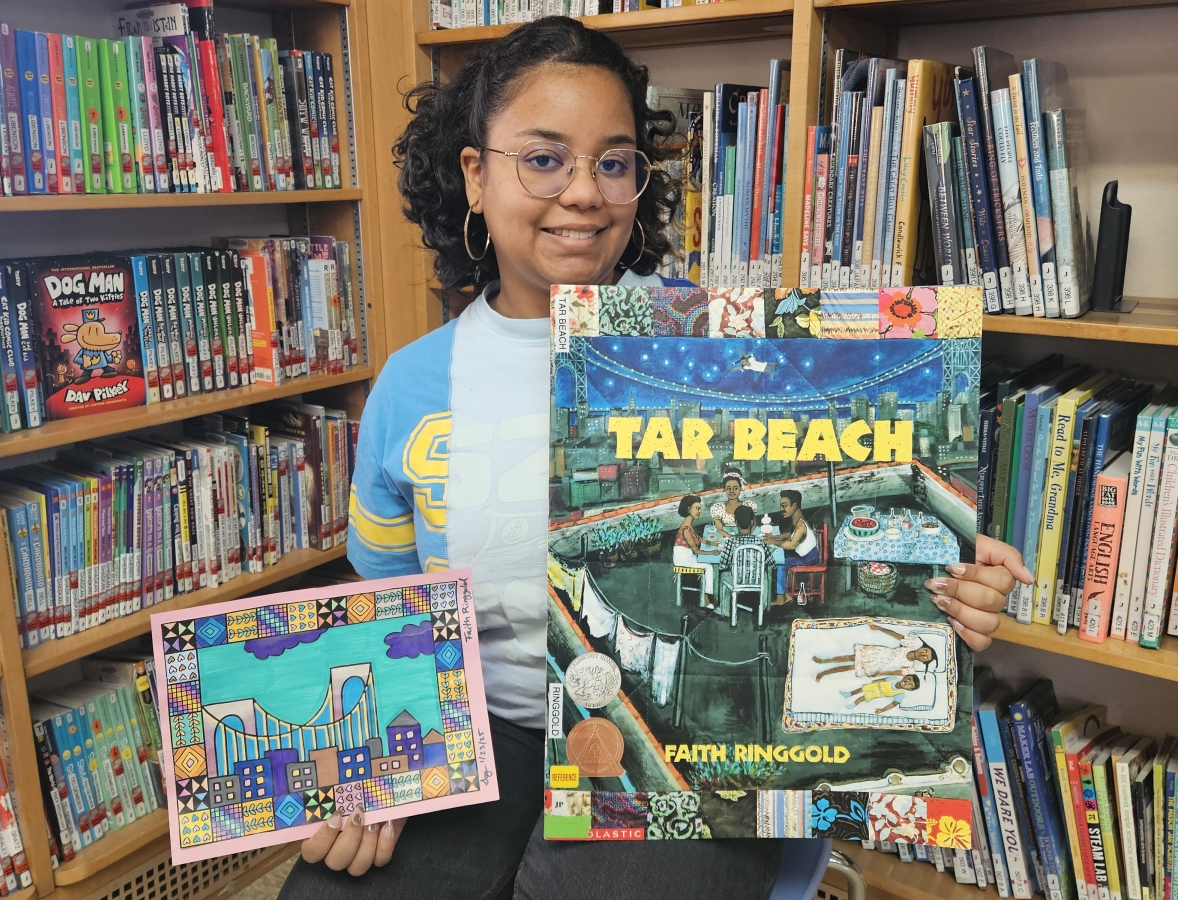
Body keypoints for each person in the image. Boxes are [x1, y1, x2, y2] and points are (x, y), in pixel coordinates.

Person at [284, 16, 1033, 900]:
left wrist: (942, 588)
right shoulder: (411, 387)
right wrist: (370, 776)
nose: (583, 192)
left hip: (686, 747)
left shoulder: (715, 345)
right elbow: (386, 605)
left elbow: (837, 539)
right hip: (486, 735)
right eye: (543, 157)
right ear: (475, 177)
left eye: (612, 161)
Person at [813, 622, 938, 682]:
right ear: (922, 647)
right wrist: (879, 628)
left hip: (876, 665)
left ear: (923, 661)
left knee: (850, 667)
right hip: (876, 652)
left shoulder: (910, 668)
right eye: (925, 651)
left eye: (925, 657)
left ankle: (822, 674)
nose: (923, 654)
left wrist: (878, 674)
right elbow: (895, 635)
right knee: (849, 657)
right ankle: (823, 660)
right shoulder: (909, 644)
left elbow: (894, 672)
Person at [716, 506, 773, 618]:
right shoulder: (760, 542)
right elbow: (771, 563)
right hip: (756, 581)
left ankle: (725, 609)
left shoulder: (731, 542)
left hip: (736, 580)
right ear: (752, 521)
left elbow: (723, 565)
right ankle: (764, 605)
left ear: (736, 522)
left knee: (723, 575)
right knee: (765, 575)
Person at [765, 490, 819, 605]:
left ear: (794, 506)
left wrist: (774, 541)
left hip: (808, 558)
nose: (781, 509)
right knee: (781, 559)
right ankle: (785, 594)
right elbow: (791, 534)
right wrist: (776, 537)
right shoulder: (798, 520)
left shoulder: (800, 525)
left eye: (784, 506)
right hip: (807, 555)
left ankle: (781, 598)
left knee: (780, 565)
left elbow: (791, 545)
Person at [673, 495, 716, 608]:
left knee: (709, 564)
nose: (699, 511)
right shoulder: (686, 529)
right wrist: (712, 553)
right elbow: (696, 551)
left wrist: (712, 544)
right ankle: (707, 600)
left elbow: (698, 539)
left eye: (699, 508)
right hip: (683, 560)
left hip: (688, 557)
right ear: (688, 509)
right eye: (697, 508)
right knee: (709, 567)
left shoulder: (689, 525)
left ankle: (709, 595)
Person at [709, 468, 756, 537]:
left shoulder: (748, 505)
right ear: (724, 489)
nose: (732, 491)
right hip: (727, 540)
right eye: (728, 488)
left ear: (740, 488)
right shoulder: (718, 508)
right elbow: (719, 529)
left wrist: (745, 537)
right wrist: (732, 539)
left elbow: (753, 524)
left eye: (735, 488)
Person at [841, 674, 921, 714]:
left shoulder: (901, 694)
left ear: (910, 689)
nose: (907, 682)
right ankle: (848, 694)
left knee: (863, 698)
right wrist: (876, 681)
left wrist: (882, 710)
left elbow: (893, 704)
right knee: (859, 689)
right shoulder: (894, 679)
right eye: (908, 679)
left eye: (910, 684)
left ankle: (852, 705)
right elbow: (884, 679)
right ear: (905, 676)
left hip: (877, 694)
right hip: (874, 686)